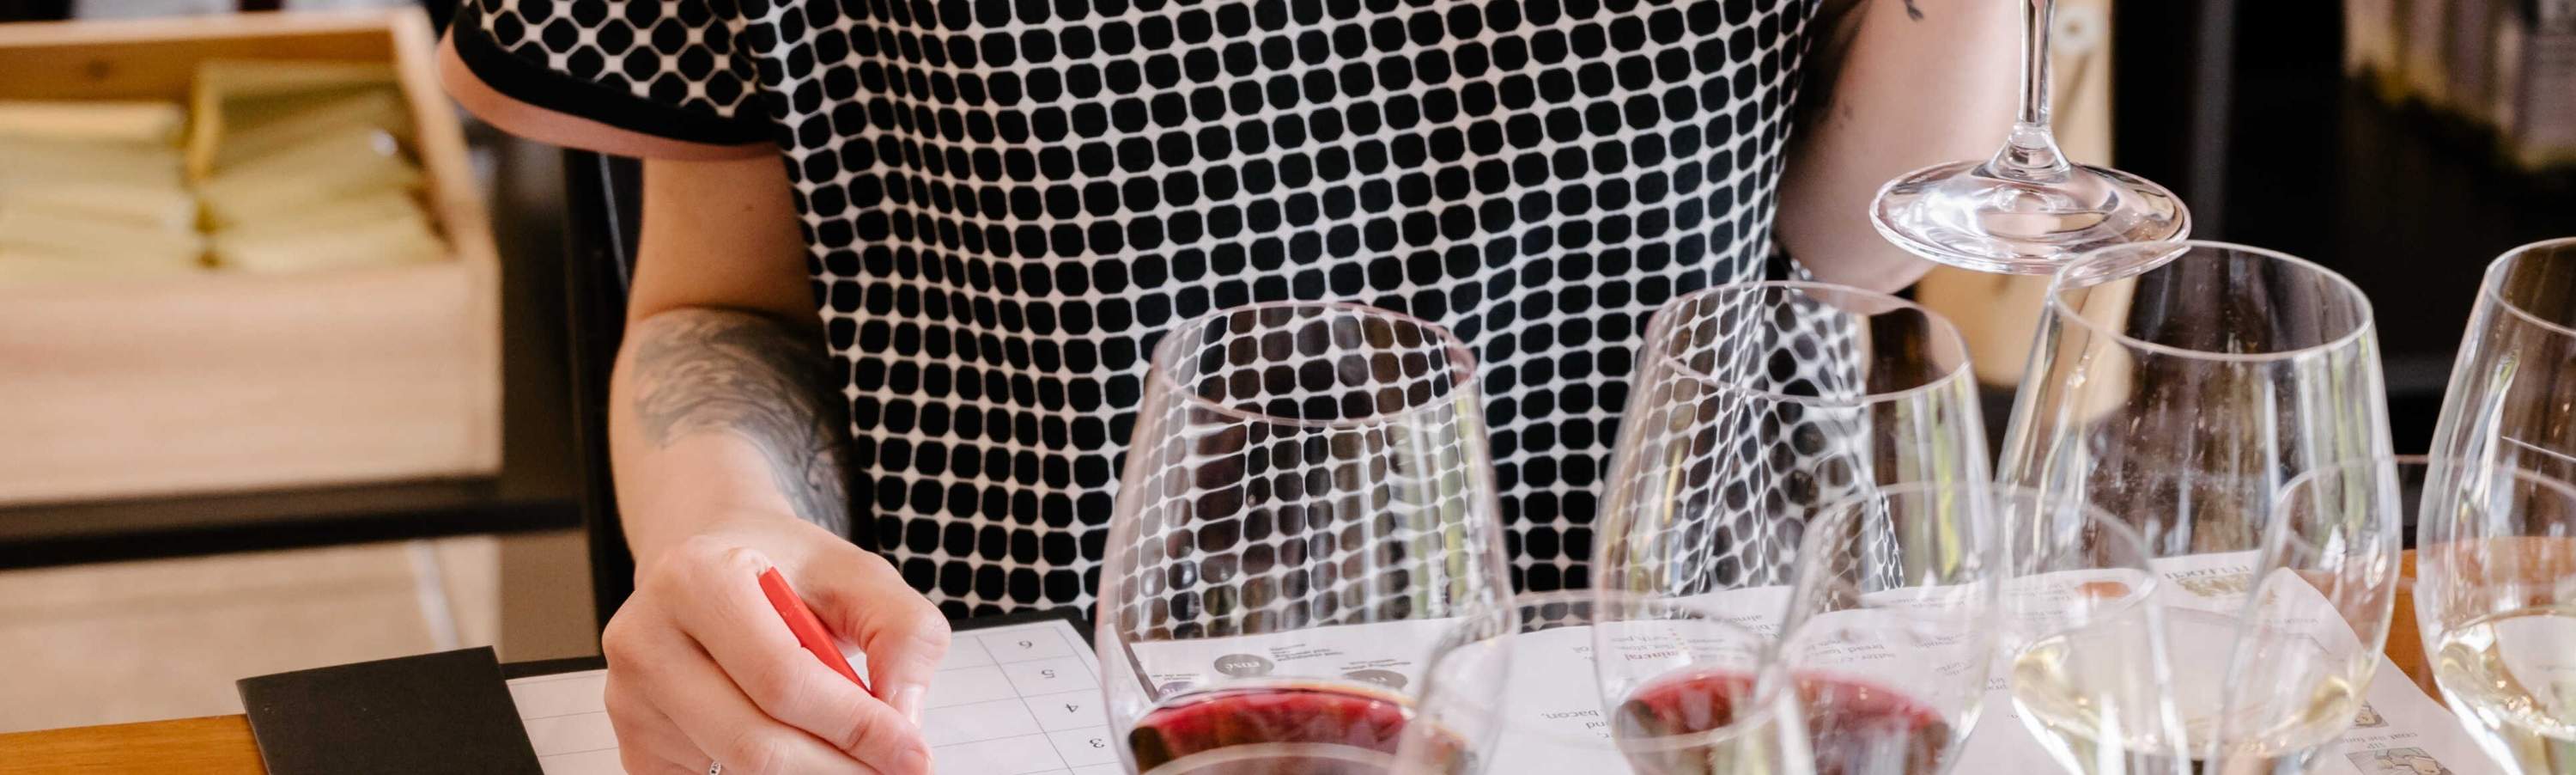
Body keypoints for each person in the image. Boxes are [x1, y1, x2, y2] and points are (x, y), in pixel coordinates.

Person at [439, 0, 2016, 770]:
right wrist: (723, 535)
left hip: (1678, 703)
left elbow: (1853, 246)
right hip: (1022, 713)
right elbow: (726, 305)